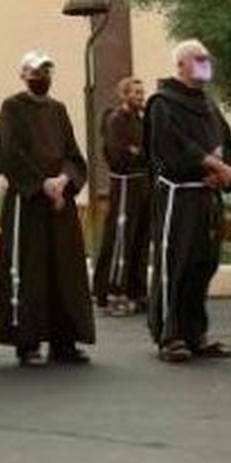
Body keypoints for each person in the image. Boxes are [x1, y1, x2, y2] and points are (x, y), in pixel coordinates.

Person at [0, 52, 95, 366]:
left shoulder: (58, 109)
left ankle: (64, 340)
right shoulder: (12, 107)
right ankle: (28, 341)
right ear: (23, 74)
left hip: (59, 204)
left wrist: (64, 180)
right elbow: (8, 151)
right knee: (29, 271)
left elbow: (73, 155)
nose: (42, 76)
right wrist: (41, 184)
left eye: (47, 70)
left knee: (65, 271)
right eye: (36, 71)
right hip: (28, 203)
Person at [144, 40, 231, 363]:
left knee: (203, 264)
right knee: (176, 263)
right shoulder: (162, 103)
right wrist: (211, 164)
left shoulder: (209, 106)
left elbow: (229, 145)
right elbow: (173, 148)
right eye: (199, 59)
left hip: (207, 195)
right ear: (181, 65)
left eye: (207, 59)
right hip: (179, 195)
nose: (205, 63)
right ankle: (169, 334)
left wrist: (228, 172)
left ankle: (195, 332)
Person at [92, 76, 151, 316]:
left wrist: (139, 153)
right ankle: (113, 292)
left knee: (141, 238)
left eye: (142, 92)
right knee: (121, 238)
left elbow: (147, 153)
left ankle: (137, 292)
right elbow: (119, 156)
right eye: (136, 93)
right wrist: (137, 154)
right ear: (124, 95)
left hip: (143, 186)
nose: (140, 96)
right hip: (125, 186)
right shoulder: (116, 120)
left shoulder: (142, 121)